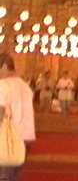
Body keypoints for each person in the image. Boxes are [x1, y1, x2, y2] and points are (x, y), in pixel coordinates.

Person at [0, 52, 36, 181]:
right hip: (25, 139)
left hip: (7, 139)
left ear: (4, 67)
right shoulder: (25, 86)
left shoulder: (3, 85)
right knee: (13, 177)